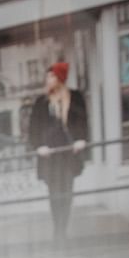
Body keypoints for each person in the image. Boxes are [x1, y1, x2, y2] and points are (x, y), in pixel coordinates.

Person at [27, 61, 89, 240]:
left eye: (51, 76)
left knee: (67, 191)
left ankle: (63, 227)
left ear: (60, 78)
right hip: (50, 156)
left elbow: (82, 122)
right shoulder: (42, 102)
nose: (48, 80)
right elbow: (33, 129)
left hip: (69, 153)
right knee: (54, 193)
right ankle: (58, 230)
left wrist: (81, 140)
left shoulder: (75, 97)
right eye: (47, 77)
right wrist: (39, 146)